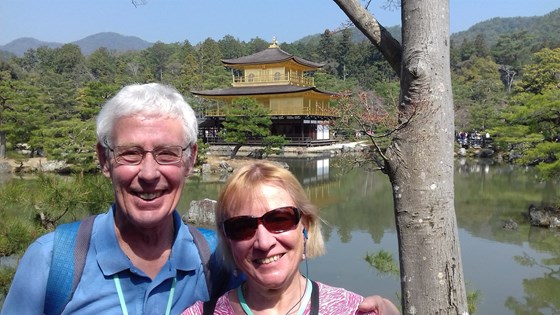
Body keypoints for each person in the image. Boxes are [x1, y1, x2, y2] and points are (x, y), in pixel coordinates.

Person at [1, 83, 397, 314]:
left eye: (168, 153)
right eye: (130, 153)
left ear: (190, 159)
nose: (150, 173)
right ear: (104, 160)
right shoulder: (54, 261)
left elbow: (279, 284)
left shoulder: (220, 258)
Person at [182, 161, 400, 315]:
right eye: (242, 227)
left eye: (279, 220)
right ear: (228, 240)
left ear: (305, 226)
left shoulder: (352, 310)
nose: (264, 242)